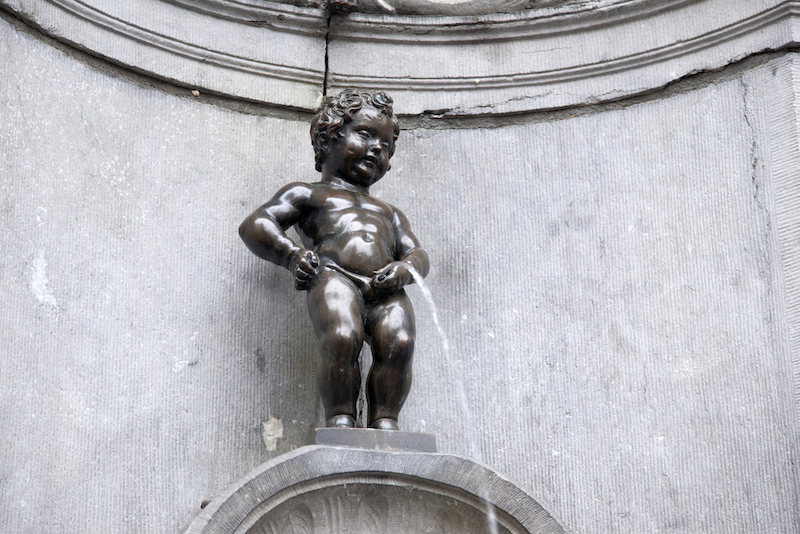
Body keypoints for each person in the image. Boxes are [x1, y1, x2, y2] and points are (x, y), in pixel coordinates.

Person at [239, 89, 429, 430]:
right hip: (334, 276)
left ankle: (386, 421)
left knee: (400, 342)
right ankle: (341, 417)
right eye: (366, 135)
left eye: (385, 146)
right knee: (342, 336)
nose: (376, 148)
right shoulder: (308, 193)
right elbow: (256, 224)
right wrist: (292, 255)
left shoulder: (389, 212)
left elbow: (417, 254)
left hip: (387, 287)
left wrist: (404, 269)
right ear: (329, 138)